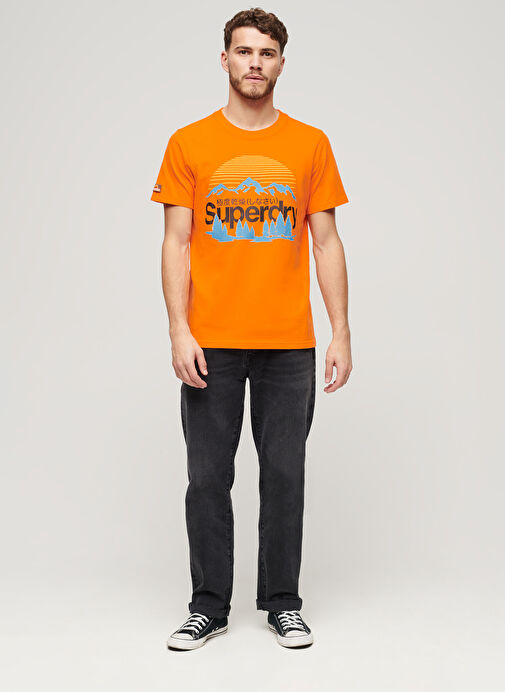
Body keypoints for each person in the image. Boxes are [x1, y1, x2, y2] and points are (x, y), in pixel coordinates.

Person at [150, 7, 352, 650]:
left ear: (282, 64)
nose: (254, 63)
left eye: (266, 53)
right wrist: (178, 330)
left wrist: (341, 331)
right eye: (244, 51)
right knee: (208, 477)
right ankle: (208, 605)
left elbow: (326, 242)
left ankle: (283, 603)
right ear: (225, 60)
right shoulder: (189, 143)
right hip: (210, 338)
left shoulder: (310, 144)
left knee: (285, 475)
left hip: (288, 341)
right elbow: (176, 241)